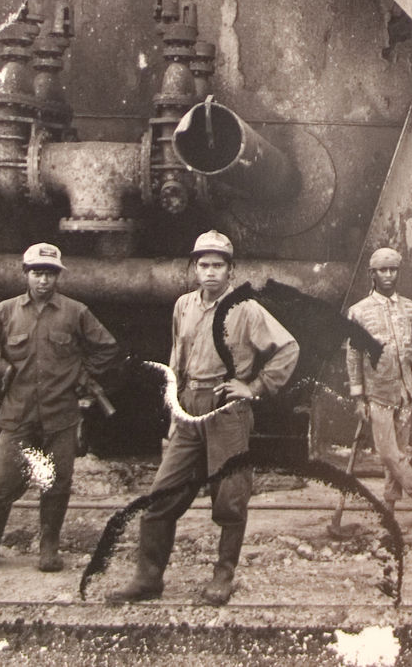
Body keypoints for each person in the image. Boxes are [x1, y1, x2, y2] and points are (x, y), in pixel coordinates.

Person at [108, 229, 298, 606]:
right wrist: (173, 410)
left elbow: (288, 348)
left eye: (218, 266)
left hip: (227, 409)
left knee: (229, 498)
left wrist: (255, 386)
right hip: (189, 407)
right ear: (195, 268)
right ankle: (148, 578)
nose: (210, 272)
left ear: (231, 270)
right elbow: (177, 356)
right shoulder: (183, 305)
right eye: (204, 265)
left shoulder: (246, 309)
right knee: (162, 494)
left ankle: (222, 576)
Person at [0, 241, 122, 574]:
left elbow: (107, 347)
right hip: (17, 414)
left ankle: (49, 547)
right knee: (1, 486)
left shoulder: (75, 312)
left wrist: (83, 374)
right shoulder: (4, 312)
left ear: (58, 277)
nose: (43, 281)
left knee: (57, 484)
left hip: (60, 415)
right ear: (26, 274)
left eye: (49, 274)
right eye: (37, 273)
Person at [345, 246, 412, 521]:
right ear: (372, 274)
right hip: (377, 394)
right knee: (388, 453)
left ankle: (389, 509)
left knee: (399, 453)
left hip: (406, 393)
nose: (388, 275)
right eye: (382, 270)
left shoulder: (411, 309)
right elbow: (353, 357)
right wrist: (358, 397)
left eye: (393, 270)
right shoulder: (359, 312)